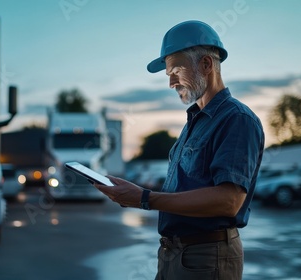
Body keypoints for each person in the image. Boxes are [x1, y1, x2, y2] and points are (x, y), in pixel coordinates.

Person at [94, 20, 265, 280]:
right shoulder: (194, 122)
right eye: (168, 75)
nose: (171, 82)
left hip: (206, 257)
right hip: (175, 254)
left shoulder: (237, 119)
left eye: (176, 70)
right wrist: (133, 192)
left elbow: (229, 201)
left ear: (206, 65)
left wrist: (144, 198)